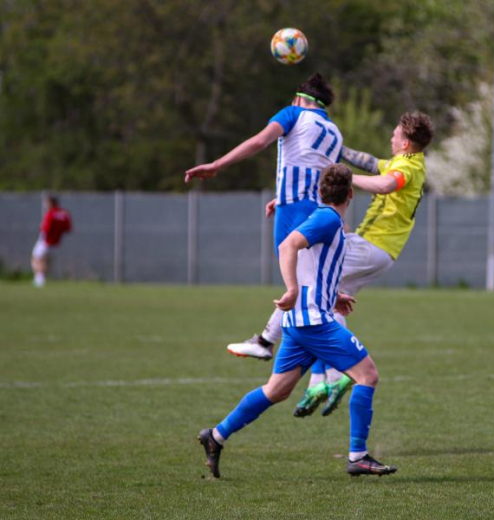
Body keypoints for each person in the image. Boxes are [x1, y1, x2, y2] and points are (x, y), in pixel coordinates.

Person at [229, 112, 435, 418]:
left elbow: (386, 184)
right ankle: (324, 381)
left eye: (394, 135)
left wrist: (342, 179)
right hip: (379, 253)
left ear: (405, 143)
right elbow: (366, 160)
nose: (390, 139)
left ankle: (265, 340)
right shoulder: (406, 160)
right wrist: (337, 153)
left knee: (305, 267)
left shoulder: (405, 167)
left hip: (371, 247)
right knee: (331, 307)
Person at [197, 164, 396, 478]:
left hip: (300, 321)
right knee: (367, 375)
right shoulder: (328, 218)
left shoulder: (322, 218)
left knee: (276, 390)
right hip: (314, 322)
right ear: (351, 194)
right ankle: (357, 456)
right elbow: (288, 245)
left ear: (320, 192)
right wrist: (291, 289)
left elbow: (311, 264)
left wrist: (334, 295)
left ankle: (216, 436)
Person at [185, 72, 342, 362]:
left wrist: (217, 164)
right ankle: (268, 342)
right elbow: (317, 170)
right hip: (318, 209)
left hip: (295, 208)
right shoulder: (334, 132)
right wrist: (280, 196)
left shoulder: (293, 113)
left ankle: (321, 360)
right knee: (306, 283)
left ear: (299, 97)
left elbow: (260, 142)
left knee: (299, 285)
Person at [31, 195, 72, 287]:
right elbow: (68, 228)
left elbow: (45, 229)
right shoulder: (64, 214)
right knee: (46, 261)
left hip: (46, 241)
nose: (46, 205)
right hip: (56, 243)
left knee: (36, 258)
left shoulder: (50, 213)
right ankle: (41, 278)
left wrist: (41, 227)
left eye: (47, 203)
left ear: (51, 203)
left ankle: (39, 278)